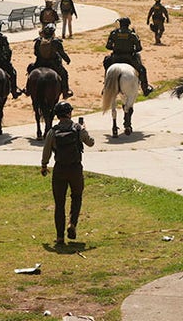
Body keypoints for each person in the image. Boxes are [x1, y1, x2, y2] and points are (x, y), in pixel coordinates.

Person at [40, 102, 95, 245]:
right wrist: (85, 130)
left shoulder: (53, 131)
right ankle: (72, 224)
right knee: (76, 197)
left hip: (59, 170)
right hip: (75, 168)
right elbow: (91, 143)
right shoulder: (77, 128)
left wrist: (44, 165)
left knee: (59, 204)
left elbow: (46, 150)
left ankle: (59, 237)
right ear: (69, 113)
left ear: (57, 115)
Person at [104, 17, 153, 95]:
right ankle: (145, 88)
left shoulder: (114, 33)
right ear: (128, 24)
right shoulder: (132, 34)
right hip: (129, 58)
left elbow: (108, 46)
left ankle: (106, 86)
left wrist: (115, 48)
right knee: (142, 70)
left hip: (116, 57)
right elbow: (139, 48)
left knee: (107, 63)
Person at [27, 23, 73, 98]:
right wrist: (67, 60)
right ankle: (66, 91)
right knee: (64, 74)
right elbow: (62, 53)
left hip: (39, 64)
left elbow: (35, 53)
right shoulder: (56, 42)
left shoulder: (38, 41)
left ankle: (28, 89)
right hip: (53, 65)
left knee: (30, 69)